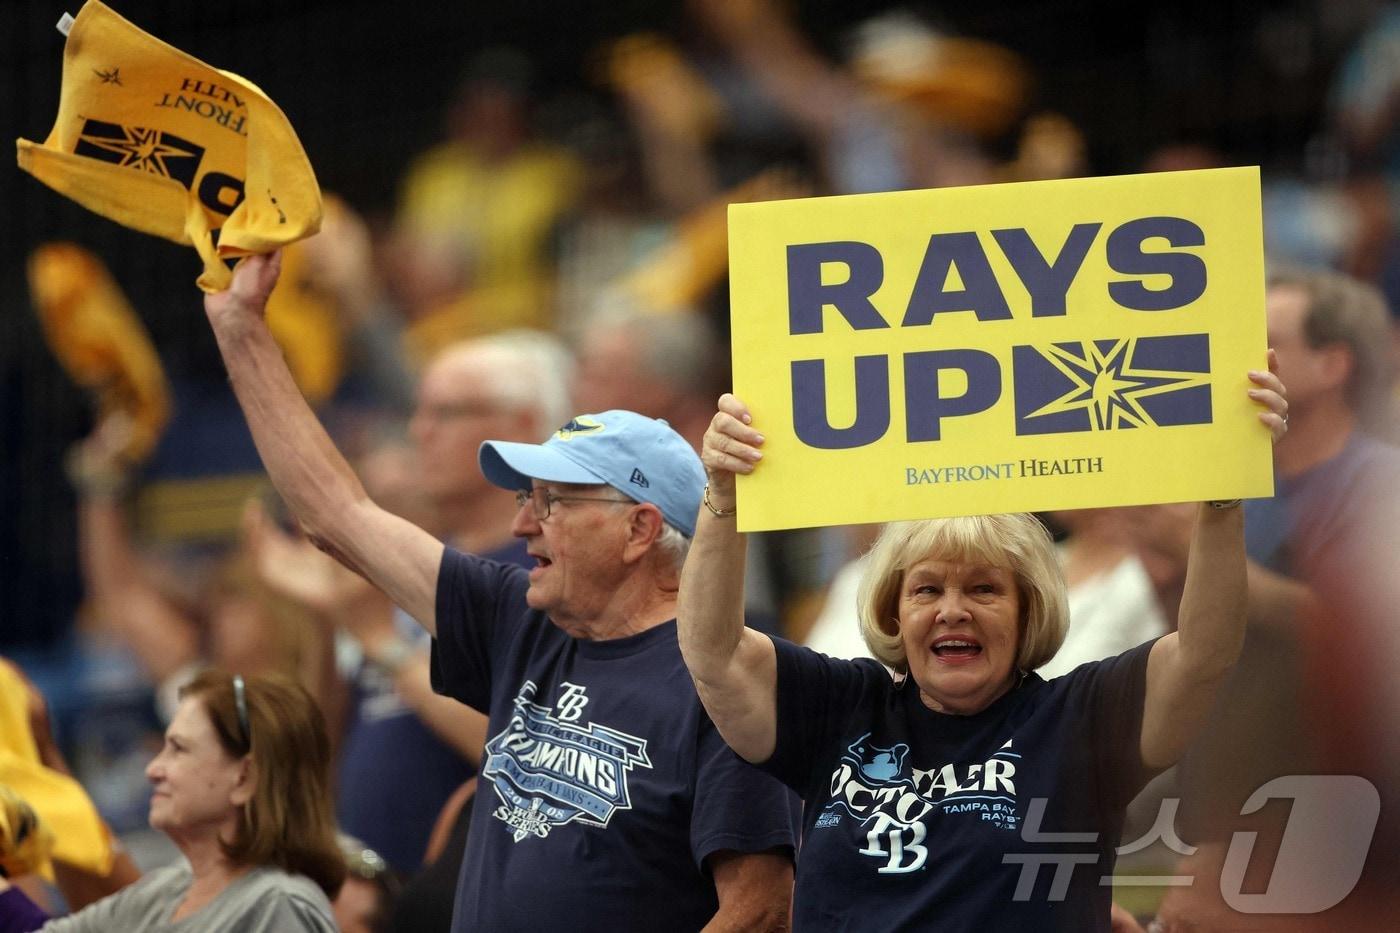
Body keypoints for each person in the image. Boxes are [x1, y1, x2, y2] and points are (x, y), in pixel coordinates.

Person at [201, 251, 796, 932]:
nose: (522, 525)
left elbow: (760, 910)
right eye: (524, 499)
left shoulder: (726, 683)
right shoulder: (520, 620)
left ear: (639, 528)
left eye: (552, 503)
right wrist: (242, 331)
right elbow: (337, 514)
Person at [676, 362, 1287, 931]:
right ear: (894, 611)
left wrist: (1223, 491)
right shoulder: (842, 706)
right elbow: (714, 651)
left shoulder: (1080, 718)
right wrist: (724, 497)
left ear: (1028, 612)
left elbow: (1205, 653)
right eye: (927, 589)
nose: (952, 610)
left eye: (984, 589)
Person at [0, 670, 342, 931]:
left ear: (245, 778)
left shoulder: (278, 904)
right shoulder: (164, 892)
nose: (153, 769)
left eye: (178, 749)